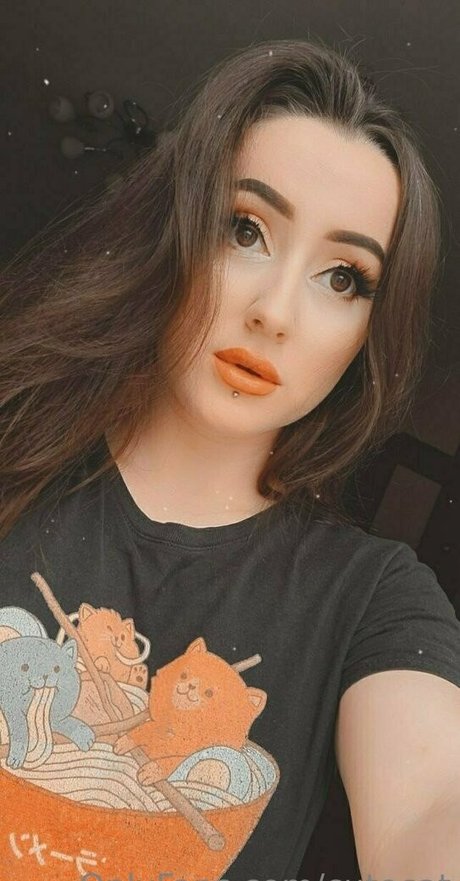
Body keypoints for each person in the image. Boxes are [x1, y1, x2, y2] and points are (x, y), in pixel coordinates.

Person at [0, 37, 459, 881]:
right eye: (245, 229)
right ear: (174, 226)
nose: (275, 312)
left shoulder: (371, 600)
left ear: (369, 334)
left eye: (343, 278)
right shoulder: (12, 453)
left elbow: (432, 807)